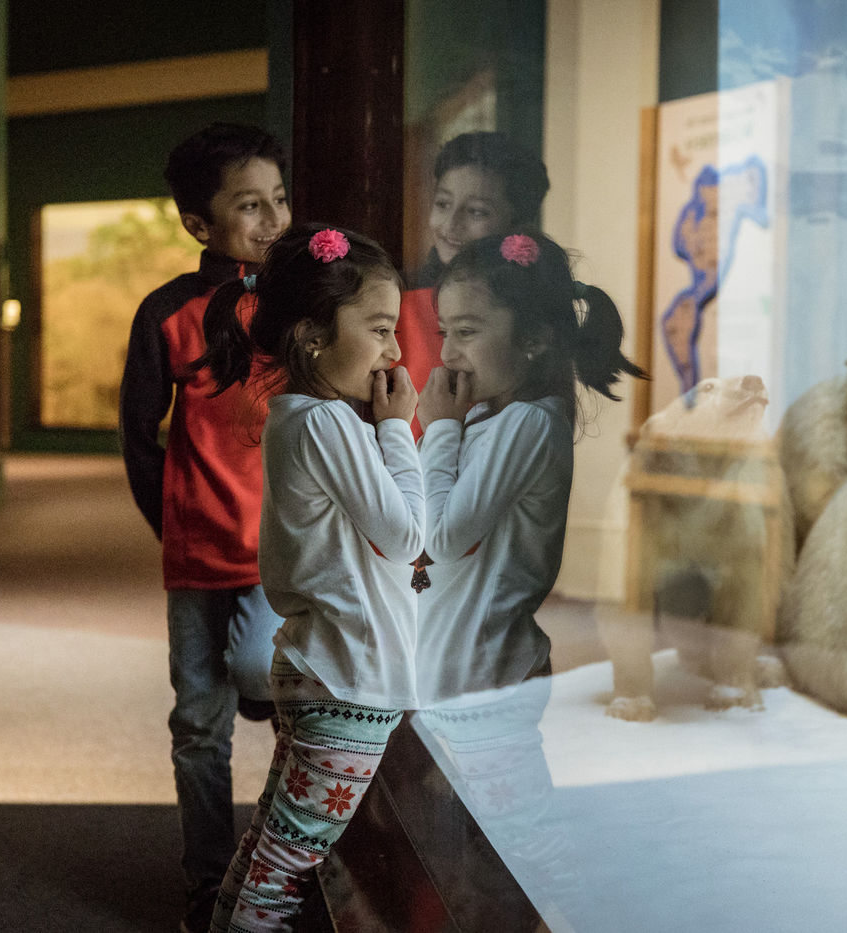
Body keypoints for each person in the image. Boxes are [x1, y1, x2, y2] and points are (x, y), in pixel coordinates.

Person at [409, 231, 646, 925]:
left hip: (485, 680)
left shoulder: (527, 424)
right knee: (481, 846)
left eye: (470, 331)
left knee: (527, 842)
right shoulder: (495, 417)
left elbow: (445, 534)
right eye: (445, 330)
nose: (449, 351)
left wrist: (436, 428)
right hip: (459, 675)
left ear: (537, 339)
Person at [196, 224, 424, 933]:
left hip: (328, 672)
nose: (395, 350)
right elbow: (407, 534)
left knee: (273, 845)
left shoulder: (309, 420)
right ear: (313, 335)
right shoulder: (327, 424)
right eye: (380, 329)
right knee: (287, 859)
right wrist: (398, 429)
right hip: (348, 678)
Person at [118, 122, 292, 933]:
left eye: (279, 200)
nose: (272, 220)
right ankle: (208, 880)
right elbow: (138, 430)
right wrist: (172, 518)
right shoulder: (166, 311)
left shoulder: (303, 302)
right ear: (198, 224)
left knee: (261, 674)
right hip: (196, 553)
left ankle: (289, 864)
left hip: (282, 549)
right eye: (250, 206)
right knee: (198, 725)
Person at [398, 132, 551, 403]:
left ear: (517, 223)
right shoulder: (400, 301)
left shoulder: (530, 309)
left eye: (476, 211)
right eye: (443, 204)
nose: (450, 225)